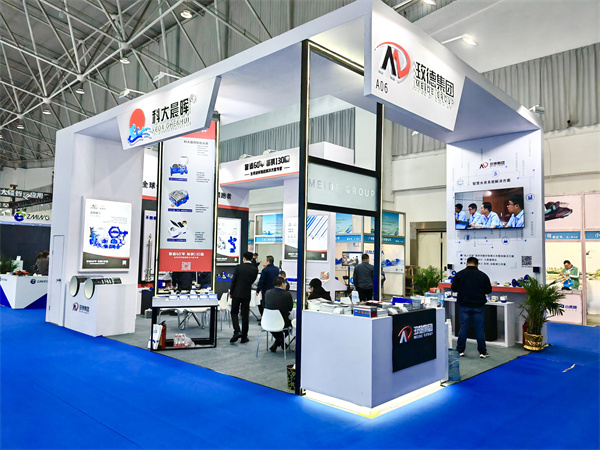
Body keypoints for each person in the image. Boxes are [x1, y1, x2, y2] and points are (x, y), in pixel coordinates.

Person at [451, 256, 492, 358]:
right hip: (478, 306)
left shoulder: (459, 274)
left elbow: (454, 288)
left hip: (464, 305)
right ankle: (482, 352)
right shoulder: (483, 275)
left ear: (466, 263)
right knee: (479, 329)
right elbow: (488, 290)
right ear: (477, 265)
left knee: (463, 328)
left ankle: (460, 350)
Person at [229, 251, 259, 344]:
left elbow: (234, 280)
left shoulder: (238, 267)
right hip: (247, 293)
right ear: (252, 259)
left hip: (236, 293)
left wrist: (231, 292)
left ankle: (237, 331)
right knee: (245, 315)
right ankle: (244, 337)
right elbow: (252, 281)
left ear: (244, 258)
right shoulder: (255, 269)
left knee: (234, 312)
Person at [264, 276, 294, 352]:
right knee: (291, 325)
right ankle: (281, 341)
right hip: (282, 321)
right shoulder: (287, 294)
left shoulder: (267, 293)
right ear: (282, 284)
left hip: (267, 321)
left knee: (274, 327)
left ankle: (277, 343)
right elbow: (290, 308)